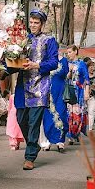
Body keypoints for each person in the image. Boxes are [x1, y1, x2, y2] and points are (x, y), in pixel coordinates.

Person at [13, 10, 59, 169]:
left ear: (42, 24)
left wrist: (38, 65)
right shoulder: (21, 40)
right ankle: (33, 145)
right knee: (21, 119)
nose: (33, 25)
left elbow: (54, 63)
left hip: (40, 86)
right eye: (31, 22)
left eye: (36, 23)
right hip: (22, 86)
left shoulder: (49, 40)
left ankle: (30, 157)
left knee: (33, 123)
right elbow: (13, 61)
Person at [43, 44, 69, 153]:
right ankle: (48, 140)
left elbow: (66, 74)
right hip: (48, 91)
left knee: (61, 114)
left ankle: (60, 141)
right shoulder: (46, 60)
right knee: (48, 115)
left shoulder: (64, 60)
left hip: (60, 91)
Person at [64, 45, 89, 145]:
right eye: (67, 52)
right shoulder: (67, 63)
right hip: (70, 91)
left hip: (79, 91)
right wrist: (69, 70)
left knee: (78, 113)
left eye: (70, 52)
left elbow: (86, 79)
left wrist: (86, 91)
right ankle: (71, 134)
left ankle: (76, 133)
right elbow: (66, 78)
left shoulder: (81, 64)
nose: (68, 54)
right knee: (70, 113)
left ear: (75, 52)